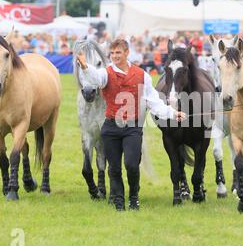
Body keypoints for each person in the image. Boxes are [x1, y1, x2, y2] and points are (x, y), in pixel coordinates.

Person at [76, 39, 186, 211]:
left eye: (118, 53)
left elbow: (153, 102)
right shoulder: (106, 73)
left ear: (127, 53)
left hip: (132, 127)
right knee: (113, 168)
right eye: (112, 54)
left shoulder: (142, 75)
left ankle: (134, 196)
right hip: (111, 127)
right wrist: (84, 67)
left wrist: (172, 113)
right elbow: (95, 78)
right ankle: (119, 202)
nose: (114, 56)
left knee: (131, 164)